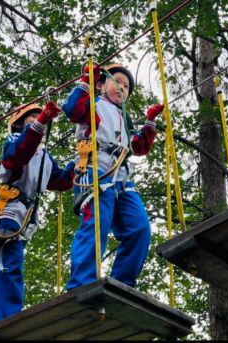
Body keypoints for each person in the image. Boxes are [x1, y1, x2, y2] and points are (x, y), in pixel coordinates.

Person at [0, 101, 74, 338]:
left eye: (43, 120)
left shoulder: (45, 157)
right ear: (19, 123)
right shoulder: (14, 142)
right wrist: (40, 122)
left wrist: (79, 164)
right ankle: (10, 319)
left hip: (24, 219)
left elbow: (61, 181)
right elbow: (17, 156)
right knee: (9, 265)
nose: (41, 122)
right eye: (33, 118)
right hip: (7, 213)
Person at [62, 62, 164, 290]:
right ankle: (81, 283)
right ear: (101, 85)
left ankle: (122, 283)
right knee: (97, 220)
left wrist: (149, 122)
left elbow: (138, 147)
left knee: (139, 228)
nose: (122, 88)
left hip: (121, 174)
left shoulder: (124, 118)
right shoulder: (94, 105)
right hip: (95, 165)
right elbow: (72, 110)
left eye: (126, 87)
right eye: (117, 82)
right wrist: (86, 81)